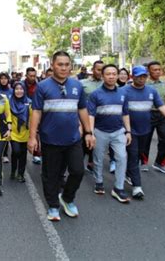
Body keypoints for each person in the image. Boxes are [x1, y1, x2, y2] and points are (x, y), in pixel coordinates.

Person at [28, 51, 94, 222]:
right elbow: (36, 112)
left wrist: (88, 132)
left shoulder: (77, 86)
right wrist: (32, 137)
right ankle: (52, 205)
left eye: (67, 64)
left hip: (73, 139)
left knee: (78, 171)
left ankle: (67, 198)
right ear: (52, 65)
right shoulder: (42, 87)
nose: (64, 68)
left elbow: (82, 110)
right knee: (51, 175)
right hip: (50, 140)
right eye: (60, 64)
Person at [122, 66, 165, 198]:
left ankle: (128, 172)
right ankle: (137, 187)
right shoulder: (124, 91)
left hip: (145, 130)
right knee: (133, 154)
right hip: (130, 130)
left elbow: (160, 106)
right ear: (132, 77)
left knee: (139, 153)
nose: (141, 79)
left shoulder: (151, 91)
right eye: (138, 76)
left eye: (144, 76)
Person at [88, 64, 131, 203]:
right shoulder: (95, 95)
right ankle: (99, 182)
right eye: (108, 74)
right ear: (103, 76)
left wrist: (128, 131)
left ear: (118, 76)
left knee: (122, 158)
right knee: (98, 158)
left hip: (119, 132)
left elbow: (125, 113)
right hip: (100, 131)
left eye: (114, 73)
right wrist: (91, 133)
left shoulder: (123, 94)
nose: (111, 76)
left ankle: (118, 188)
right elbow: (91, 115)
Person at [142, 61, 165, 173]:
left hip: (162, 115)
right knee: (145, 139)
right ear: (149, 71)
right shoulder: (144, 84)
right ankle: (143, 162)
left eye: (159, 69)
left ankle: (159, 163)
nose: (158, 72)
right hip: (148, 114)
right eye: (155, 70)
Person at [80, 61, 108, 173]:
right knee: (83, 140)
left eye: (102, 70)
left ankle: (91, 162)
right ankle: (78, 163)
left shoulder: (107, 83)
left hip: (102, 118)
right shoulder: (82, 83)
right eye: (98, 69)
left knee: (98, 141)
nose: (100, 72)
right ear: (92, 69)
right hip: (85, 117)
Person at [9, 82, 31, 182]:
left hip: (25, 132)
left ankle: (21, 174)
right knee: (16, 151)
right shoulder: (9, 102)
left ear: (24, 90)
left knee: (23, 154)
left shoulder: (29, 102)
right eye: (17, 89)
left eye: (21, 89)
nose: (19, 91)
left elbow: (32, 118)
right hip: (13, 132)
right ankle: (13, 170)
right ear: (13, 91)